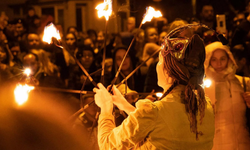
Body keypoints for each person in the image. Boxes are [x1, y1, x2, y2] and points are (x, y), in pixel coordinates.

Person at [93, 32, 215, 149]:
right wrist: (124, 105)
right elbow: (161, 126)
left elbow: (107, 144)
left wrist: (105, 107)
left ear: (168, 73)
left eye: (160, 61)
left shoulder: (153, 112)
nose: (157, 65)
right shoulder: (205, 106)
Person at [204, 41, 250, 150]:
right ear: (208, 61)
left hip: (243, 143)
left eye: (222, 59)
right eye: (214, 59)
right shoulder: (201, 87)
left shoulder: (244, 83)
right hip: (215, 145)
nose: (219, 63)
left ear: (229, 59)